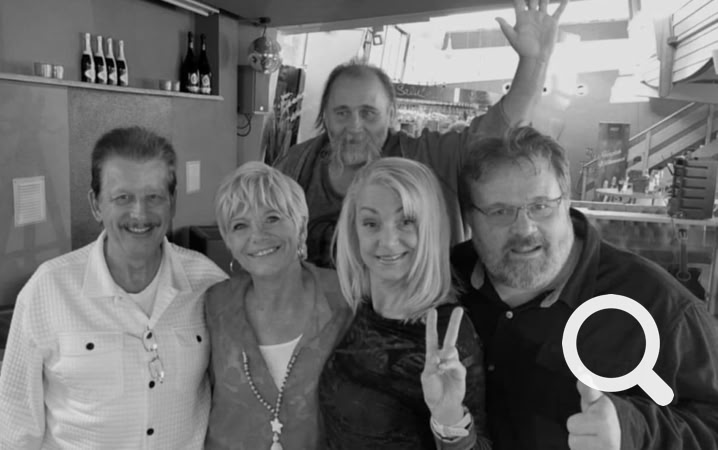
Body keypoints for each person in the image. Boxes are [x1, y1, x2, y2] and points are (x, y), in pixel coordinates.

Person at [452, 126, 718, 450]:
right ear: (470, 218)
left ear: (565, 202)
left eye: (541, 206)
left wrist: (632, 431)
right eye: (500, 211)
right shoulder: (442, 283)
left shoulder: (662, 307)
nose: (524, 229)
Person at [277, 0, 568, 268]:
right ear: (325, 115)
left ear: (391, 115)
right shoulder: (297, 165)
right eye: (342, 113)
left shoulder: (428, 158)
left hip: (419, 307)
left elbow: (497, 131)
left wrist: (533, 62)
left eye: (368, 113)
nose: (354, 127)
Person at [0, 126, 228, 449]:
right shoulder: (48, 290)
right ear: (96, 204)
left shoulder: (209, 285)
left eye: (154, 197)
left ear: (172, 202)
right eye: (123, 197)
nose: (140, 214)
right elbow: (14, 424)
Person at [319, 157, 490, 449]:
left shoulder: (447, 335)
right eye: (371, 223)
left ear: (430, 229)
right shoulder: (361, 308)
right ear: (354, 231)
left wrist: (449, 417)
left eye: (406, 221)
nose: (388, 241)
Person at [204, 161, 352, 449]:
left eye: (272, 218)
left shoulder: (345, 299)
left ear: (301, 226)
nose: (257, 236)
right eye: (240, 225)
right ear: (228, 242)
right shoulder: (213, 305)